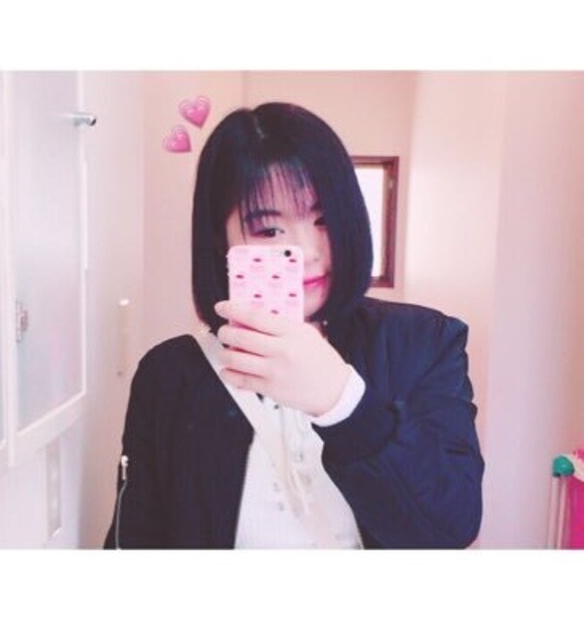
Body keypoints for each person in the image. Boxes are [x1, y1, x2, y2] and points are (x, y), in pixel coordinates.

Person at [103, 102, 484, 549]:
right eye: (269, 230)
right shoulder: (169, 375)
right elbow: (137, 538)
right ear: (221, 239)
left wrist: (342, 402)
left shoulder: (425, 343)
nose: (307, 251)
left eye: (324, 220)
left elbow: (451, 528)